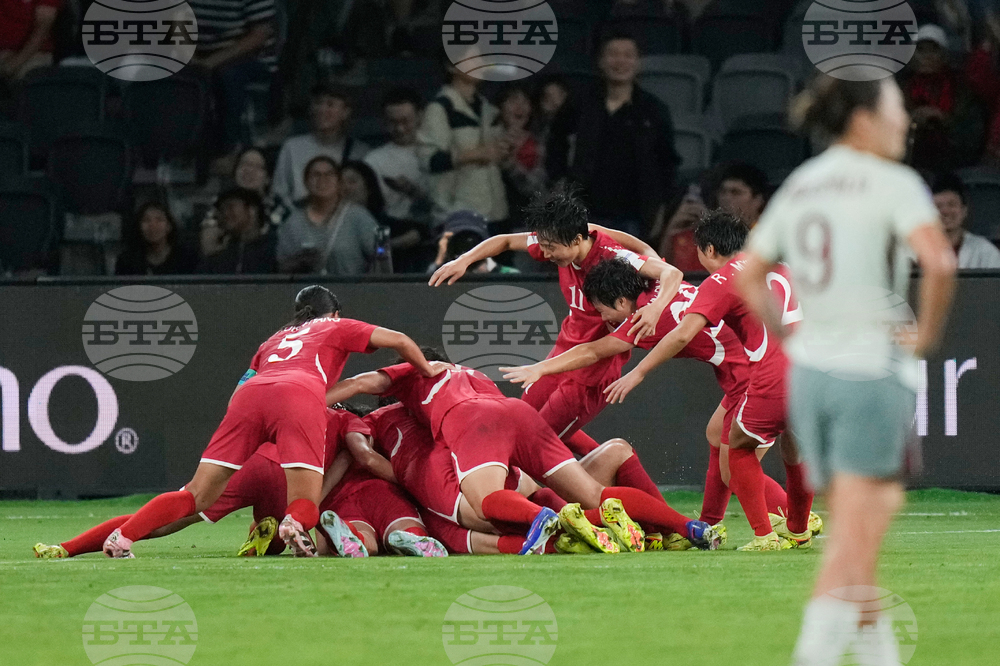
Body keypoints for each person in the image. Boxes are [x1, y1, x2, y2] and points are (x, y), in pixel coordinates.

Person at [734, 75, 956, 664]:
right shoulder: (893, 182)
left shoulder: (801, 184)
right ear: (864, 118)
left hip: (812, 376)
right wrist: (924, 338)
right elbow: (938, 262)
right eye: (897, 107)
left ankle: (876, 649)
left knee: (868, 512)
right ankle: (814, 650)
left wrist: (787, 336)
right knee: (859, 527)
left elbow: (748, 274)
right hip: (866, 370)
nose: (906, 120)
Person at [98, 285, 441, 558]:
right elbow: (398, 341)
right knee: (304, 499)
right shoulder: (336, 325)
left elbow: (238, 394)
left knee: (196, 494)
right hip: (300, 395)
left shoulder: (272, 341)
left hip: (250, 398)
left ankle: (122, 538)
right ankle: (292, 526)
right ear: (334, 312)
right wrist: (426, 371)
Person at [327, 360, 723, 554]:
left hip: (473, 424)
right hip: (515, 414)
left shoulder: (392, 401)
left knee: (482, 507)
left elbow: (363, 391)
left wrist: (316, 395)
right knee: (591, 493)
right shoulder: (466, 373)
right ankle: (685, 527)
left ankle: (545, 522)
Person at [605, 211, 816, 552]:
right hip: (813, 372)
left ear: (709, 250)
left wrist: (638, 372)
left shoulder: (721, 281)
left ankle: (765, 537)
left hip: (772, 376)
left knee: (738, 449)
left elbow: (682, 335)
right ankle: (796, 527)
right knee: (790, 446)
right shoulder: (783, 268)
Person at [430, 187, 681, 469]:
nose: (544, 253)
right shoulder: (564, 238)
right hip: (562, 353)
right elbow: (504, 241)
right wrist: (463, 260)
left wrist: (655, 306)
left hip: (591, 372)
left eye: (551, 247)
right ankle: (619, 467)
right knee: (525, 424)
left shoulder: (612, 257)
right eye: (543, 245)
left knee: (534, 447)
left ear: (576, 239)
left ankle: (584, 493)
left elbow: (668, 272)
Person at [32, 407, 364, 559]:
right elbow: (354, 459)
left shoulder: (300, 402)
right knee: (294, 521)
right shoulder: (350, 422)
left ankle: (67, 548)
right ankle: (278, 531)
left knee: (165, 522)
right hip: (294, 477)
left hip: (255, 461)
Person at [547, 30, 679, 239]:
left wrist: (660, 208)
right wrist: (559, 182)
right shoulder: (580, 104)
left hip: (635, 215)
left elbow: (667, 162)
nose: (620, 61)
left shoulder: (653, 110)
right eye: (613, 54)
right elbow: (556, 143)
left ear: (638, 63)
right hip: (583, 211)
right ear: (600, 61)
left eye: (628, 55)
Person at [417, 53, 508, 224]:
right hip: (459, 215)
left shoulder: (488, 109)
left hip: (496, 212)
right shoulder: (440, 108)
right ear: (451, 66)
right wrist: (475, 154)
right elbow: (430, 161)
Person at [188, 0, 279, 152]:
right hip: (196, 54)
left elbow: (259, 36)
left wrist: (210, 63)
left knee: (229, 77)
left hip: (248, 57)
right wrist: (190, 58)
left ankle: (230, 150)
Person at [364, 87, 435, 271]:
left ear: (420, 116)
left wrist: (414, 191)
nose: (399, 128)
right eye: (392, 122)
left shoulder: (438, 152)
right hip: (395, 239)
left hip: (434, 238)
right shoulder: (373, 160)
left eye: (406, 121)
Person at [901, 24, 989, 171]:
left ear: (944, 56)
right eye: (921, 50)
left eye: (933, 50)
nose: (927, 56)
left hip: (953, 168)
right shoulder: (899, 92)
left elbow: (972, 140)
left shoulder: (962, 91)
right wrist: (912, 121)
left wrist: (942, 119)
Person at [276, 156, 379, 275]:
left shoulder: (359, 217)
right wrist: (301, 261)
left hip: (351, 291)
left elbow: (380, 258)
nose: (322, 179)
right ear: (306, 181)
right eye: (316, 175)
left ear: (339, 182)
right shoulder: (292, 223)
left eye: (329, 174)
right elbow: (281, 267)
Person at [273, 84, 370, 203]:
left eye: (330, 104)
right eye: (318, 103)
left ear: (345, 112)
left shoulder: (360, 152)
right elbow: (279, 193)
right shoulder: (292, 147)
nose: (322, 110)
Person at [201, 147, 291, 258]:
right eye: (244, 164)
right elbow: (208, 246)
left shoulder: (279, 208)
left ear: (268, 178)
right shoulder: (221, 201)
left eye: (257, 167)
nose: (249, 170)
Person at [495, 85, 548, 228]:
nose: (520, 106)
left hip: (525, 223)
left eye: (525, 101)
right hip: (490, 217)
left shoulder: (538, 142)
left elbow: (536, 187)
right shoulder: (487, 137)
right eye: (513, 100)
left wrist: (511, 163)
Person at [198, 188, 277, 274]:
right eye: (221, 210)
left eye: (230, 207)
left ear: (252, 210)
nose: (225, 214)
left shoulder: (274, 247)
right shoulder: (222, 251)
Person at [931, 172, 1000, 268]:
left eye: (952, 205)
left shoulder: (985, 252)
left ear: (964, 211)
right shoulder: (914, 252)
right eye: (938, 206)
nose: (945, 211)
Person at [426, 210, 520, 275]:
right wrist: (440, 261)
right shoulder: (444, 277)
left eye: (472, 240)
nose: (465, 246)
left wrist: (490, 272)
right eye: (458, 240)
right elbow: (425, 294)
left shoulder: (509, 275)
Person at [116, 203, 197, 276]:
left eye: (159, 220)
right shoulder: (127, 261)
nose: (153, 226)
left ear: (169, 226)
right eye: (146, 220)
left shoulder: (186, 258)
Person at [0, 0, 59, 81]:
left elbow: (41, 31)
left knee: (31, 76)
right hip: (3, 51)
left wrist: (13, 63)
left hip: (34, 54)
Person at [715, 161, 769, 229]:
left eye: (736, 192)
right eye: (722, 192)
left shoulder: (768, 234)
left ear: (758, 200)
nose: (726, 198)